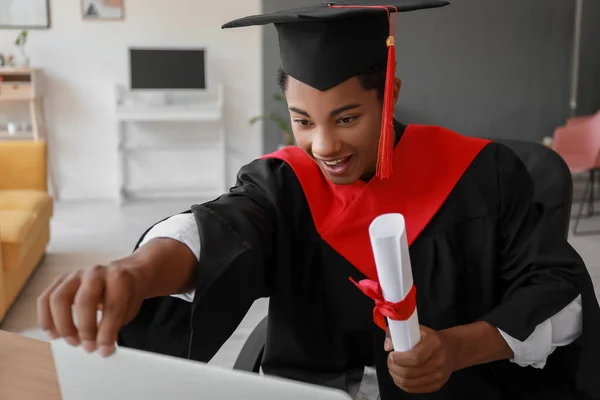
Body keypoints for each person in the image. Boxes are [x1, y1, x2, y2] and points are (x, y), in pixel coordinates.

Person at [37, 1, 600, 399]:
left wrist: (456, 348)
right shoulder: (283, 182)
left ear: (391, 94)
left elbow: (558, 294)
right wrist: (136, 272)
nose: (324, 145)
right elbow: (222, 228)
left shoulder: (483, 174)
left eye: (347, 118)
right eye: (303, 120)